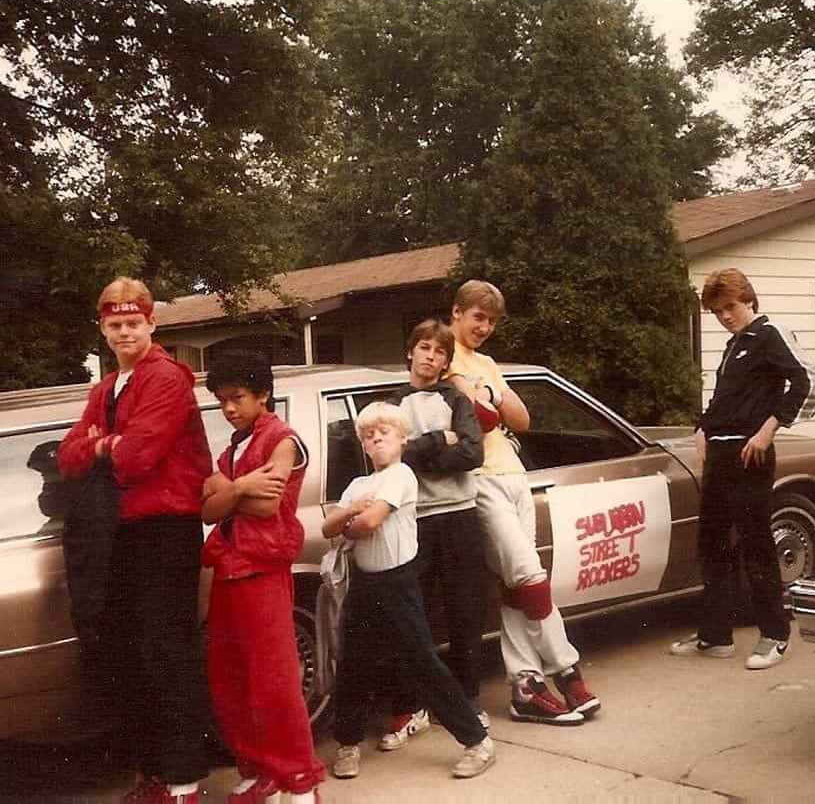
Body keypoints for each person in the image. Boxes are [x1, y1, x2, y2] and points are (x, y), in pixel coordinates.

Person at [58, 277, 213, 804]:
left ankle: (185, 782)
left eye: (133, 323)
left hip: (165, 529)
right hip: (120, 529)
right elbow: (68, 456)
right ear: (102, 329)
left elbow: (138, 456)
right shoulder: (106, 388)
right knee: (132, 654)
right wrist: (102, 444)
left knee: (167, 650)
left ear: (152, 323)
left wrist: (102, 446)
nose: (124, 332)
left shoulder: (168, 378)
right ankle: (157, 772)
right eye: (114, 325)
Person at [446, 279, 598, 726]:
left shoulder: (487, 363)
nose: (485, 327)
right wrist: (490, 401)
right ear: (457, 312)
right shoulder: (445, 354)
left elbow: (522, 418)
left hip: (515, 475)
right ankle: (567, 670)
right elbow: (486, 417)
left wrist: (488, 395)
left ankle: (525, 687)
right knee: (530, 578)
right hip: (481, 481)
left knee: (517, 589)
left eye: (491, 321)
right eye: (478, 317)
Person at [323, 402, 495, 781]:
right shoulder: (358, 485)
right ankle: (348, 743)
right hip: (364, 583)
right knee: (354, 666)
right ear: (363, 445)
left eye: (385, 432)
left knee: (422, 662)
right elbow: (326, 527)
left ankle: (477, 739)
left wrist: (349, 519)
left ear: (404, 440)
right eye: (369, 435)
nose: (377, 439)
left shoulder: (402, 475)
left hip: (398, 582)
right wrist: (349, 515)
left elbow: (367, 522)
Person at [669, 267, 815, 670]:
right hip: (719, 455)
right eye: (717, 311)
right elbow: (725, 399)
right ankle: (715, 636)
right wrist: (702, 428)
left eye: (731, 307)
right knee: (713, 545)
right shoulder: (734, 345)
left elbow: (808, 382)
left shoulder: (770, 334)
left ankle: (775, 634)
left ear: (749, 300)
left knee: (756, 544)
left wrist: (769, 429)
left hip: (750, 454)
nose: (725, 316)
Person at [199, 350, 325, 804]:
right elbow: (207, 507)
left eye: (237, 398)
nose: (229, 408)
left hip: (263, 569)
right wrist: (237, 489)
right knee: (230, 677)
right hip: (229, 567)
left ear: (264, 394)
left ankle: (301, 781)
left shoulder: (283, 438)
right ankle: (258, 770)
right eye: (221, 401)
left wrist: (225, 491)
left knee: (274, 679)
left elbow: (268, 502)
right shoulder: (231, 448)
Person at [381, 319, 488, 747]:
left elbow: (472, 452)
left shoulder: (456, 399)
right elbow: (387, 457)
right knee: (415, 616)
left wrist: (415, 450)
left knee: (465, 612)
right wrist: (433, 442)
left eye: (441, 352)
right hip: (414, 519)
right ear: (411, 351)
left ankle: (468, 701)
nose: (431, 357)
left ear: (446, 361)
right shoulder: (391, 405)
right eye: (424, 347)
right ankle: (416, 705)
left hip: (460, 514)